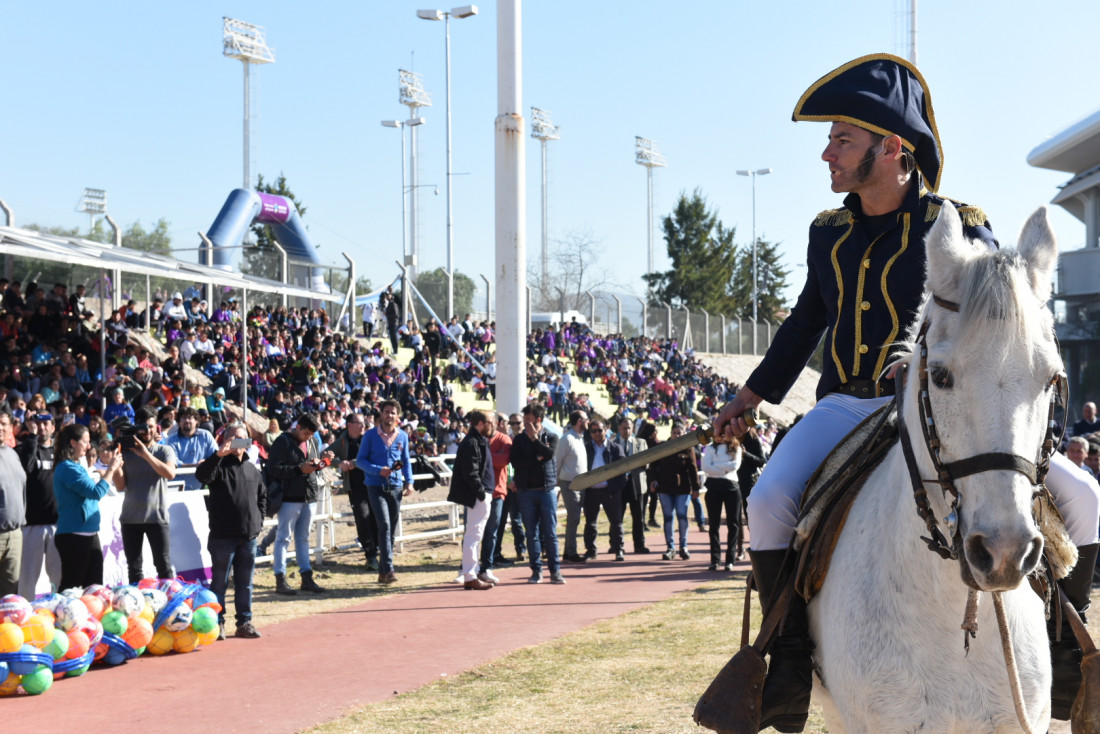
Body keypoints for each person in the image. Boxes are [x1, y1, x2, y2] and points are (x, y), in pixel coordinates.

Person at [713, 54, 1100, 730]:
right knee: (770, 498)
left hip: (943, 404)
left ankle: (1070, 652)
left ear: (892, 148)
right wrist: (752, 396)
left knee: (1088, 498)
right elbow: (808, 321)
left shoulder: (959, 224)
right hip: (844, 405)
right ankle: (792, 657)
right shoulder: (827, 233)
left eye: (842, 139)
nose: (826, 154)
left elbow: (993, 328)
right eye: (832, 139)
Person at [195, 423, 265, 640]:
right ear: (225, 440)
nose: (237, 442)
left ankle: (244, 622)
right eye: (233, 438)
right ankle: (218, 622)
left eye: (242, 438)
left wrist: (258, 522)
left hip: (249, 537)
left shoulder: (252, 468)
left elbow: (262, 497)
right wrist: (219, 454)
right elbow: (202, 476)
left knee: (245, 583)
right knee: (219, 582)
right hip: (223, 536)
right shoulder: (216, 466)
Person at [53, 423, 123, 590]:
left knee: (94, 587)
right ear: (73, 443)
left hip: (88, 532)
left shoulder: (76, 466)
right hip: (74, 534)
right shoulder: (67, 468)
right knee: (72, 586)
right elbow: (95, 493)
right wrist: (111, 469)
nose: (89, 446)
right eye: (85, 441)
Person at [266, 412, 331, 595]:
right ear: (298, 427)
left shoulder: (313, 442)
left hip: (309, 495)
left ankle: (306, 576)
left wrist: (320, 462)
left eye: (311, 435)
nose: (308, 437)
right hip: (289, 496)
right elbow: (273, 469)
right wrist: (298, 469)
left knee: (303, 538)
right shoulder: (282, 441)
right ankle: (280, 577)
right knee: (283, 537)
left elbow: (311, 464)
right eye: (306, 434)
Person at [355, 400, 414, 585]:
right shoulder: (370, 436)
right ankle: (389, 569)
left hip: (396, 487)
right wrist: (377, 470)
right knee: (385, 525)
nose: (389, 415)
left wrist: (409, 482)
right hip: (375, 486)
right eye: (386, 412)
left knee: (390, 530)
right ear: (381, 414)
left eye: (393, 412)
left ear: (398, 416)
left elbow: (406, 460)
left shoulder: (402, 436)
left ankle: (382, 572)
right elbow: (360, 461)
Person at [117, 406, 177, 583]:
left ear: (156, 427)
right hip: (130, 518)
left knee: (163, 565)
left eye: (151, 426)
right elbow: (120, 486)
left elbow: (170, 473)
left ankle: (170, 604)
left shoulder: (164, 450)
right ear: (136, 427)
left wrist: (145, 454)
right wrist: (115, 463)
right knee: (134, 569)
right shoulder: (126, 452)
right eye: (143, 427)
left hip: (156, 517)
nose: (147, 430)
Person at [510, 403, 565, 584]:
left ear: (538, 420)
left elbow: (549, 454)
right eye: (524, 419)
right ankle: (536, 571)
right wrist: (536, 458)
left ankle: (555, 571)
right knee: (531, 533)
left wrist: (535, 440)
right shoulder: (518, 440)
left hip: (547, 491)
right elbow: (517, 463)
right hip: (525, 491)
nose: (525, 423)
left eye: (528, 420)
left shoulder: (552, 436)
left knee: (550, 532)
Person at [448, 410, 495, 590]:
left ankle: (471, 573)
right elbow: (471, 472)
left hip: (482, 494)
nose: (494, 426)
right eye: (491, 422)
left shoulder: (478, 440)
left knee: (475, 535)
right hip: (478, 496)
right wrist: (481, 493)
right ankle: (469, 575)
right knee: (473, 536)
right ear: (481, 423)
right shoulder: (472, 442)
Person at [326, 412, 379, 572]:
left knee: (376, 519)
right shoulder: (342, 441)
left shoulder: (369, 438)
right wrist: (338, 463)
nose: (364, 425)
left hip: (374, 484)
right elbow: (325, 456)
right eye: (360, 423)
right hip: (355, 488)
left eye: (364, 423)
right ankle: (370, 556)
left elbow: (375, 457)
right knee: (362, 519)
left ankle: (376, 550)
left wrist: (354, 463)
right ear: (350, 425)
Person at [17, 413, 60, 598]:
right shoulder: (25, 449)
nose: (42, 427)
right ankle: (23, 615)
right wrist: (32, 438)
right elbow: (27, 466)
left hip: (57, 524)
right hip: (31, 525)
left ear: (53, 427)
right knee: (26, 579)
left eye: (45, 424)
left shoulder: (60, 452)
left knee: (59, 576)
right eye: (38, 424)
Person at [649, 420, 700, 561]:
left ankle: (683, 546)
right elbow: (653, 465)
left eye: (679, 433)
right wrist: (653, 480)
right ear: (671, 434)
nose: (677, 435)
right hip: (665, 488)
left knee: (682, 516)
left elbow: (693, 468)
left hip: (683, 489)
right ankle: (670, 547)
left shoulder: (688, 448)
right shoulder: (663, 446)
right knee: (668, 517)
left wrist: (696, 488)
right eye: (674, 433)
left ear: (684, 434)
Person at [581, 418, 627, 561]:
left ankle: (618, 549)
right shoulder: (586, 448)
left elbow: (623, 471)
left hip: (610, 491)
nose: (597, 433)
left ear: (605, 430)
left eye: (600, 430)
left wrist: (615, 490)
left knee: (616, 522)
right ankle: (591, 550)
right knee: (590, 522)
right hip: (591, 491)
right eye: (593, 431)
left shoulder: (615, 448)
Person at [479, 412, 514, 577]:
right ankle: (466, 566)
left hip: (497, 491)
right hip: (477, 491)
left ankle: (487, 565)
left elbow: (503, 461)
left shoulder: (504, 440)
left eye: (489, 421)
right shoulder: (477, 438)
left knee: (491, 531)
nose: (486, 424)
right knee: (472, 530)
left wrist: (482, 457)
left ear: (496, 423)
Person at [701, 437, 742, 572]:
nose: (724, 435)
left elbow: (735, 466)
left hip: (732, 487)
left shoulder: (736, 448)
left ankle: (730, 560)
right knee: (714, 525)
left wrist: (716, 466)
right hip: (713, 487)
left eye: (727, 431)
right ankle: (715, 560)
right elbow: (706, 467)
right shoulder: (711, 448)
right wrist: (724, 468)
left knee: (733, 524)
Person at [553, 410, 588, 563]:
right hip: (570, 483)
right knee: (573, 517)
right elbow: (557, 461)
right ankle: (571, 551)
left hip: (582, 483)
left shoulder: (580, 438)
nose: (589, 421)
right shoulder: (566, 439)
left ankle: (569, 550)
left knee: (575, 518)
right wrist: (557, 481)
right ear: (580, 420)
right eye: (586, 419)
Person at [612, 418, 650, 554]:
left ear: (633, 428)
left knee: (638, 516)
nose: (627, 431)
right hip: (619, 485)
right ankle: (615, 545)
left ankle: (639, 544)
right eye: (624, 428)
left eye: (629, 428)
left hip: (637, 484)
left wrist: (633, 464)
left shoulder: (641, 443)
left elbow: (647, 463)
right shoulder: (613, 444)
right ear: (619, 429)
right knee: (617, 517)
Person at [164, 406, 219, 490]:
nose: (186, 420)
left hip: (201, 486)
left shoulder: (206, 435)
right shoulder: (170, 439)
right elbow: (174, 463)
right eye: (183, 418)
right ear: (178, 422)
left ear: (196, 421)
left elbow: (215, 455)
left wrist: (206, 462)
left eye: (190, 417)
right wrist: (196, 465)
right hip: (177, 487)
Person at [0, 411, 25, 595]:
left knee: (10, 592)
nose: (1, 428)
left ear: (10, 428)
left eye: (4, 424)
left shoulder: (13, 454)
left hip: (15, 534)